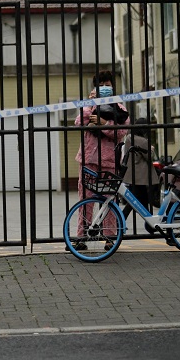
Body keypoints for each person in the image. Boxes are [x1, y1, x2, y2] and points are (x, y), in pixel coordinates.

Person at [72, 71, 130, 251]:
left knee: (109, 200)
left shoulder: (119, 108)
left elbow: (121, 132)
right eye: (101, 85)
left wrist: (104, 124)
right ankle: (81, 237)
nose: (105, 88)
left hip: (109, 161)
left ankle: (110, 237)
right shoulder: (89, 105)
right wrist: (91, 105)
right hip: (88, 159)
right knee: (85, 199)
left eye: (107, 84)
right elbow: (79, 122)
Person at [119, 117, 160, 214]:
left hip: (132, 174)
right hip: (141, 176)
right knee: (135, 201)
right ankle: (122, 218)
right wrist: (151, 149)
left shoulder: (129, 138)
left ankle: (149, 223)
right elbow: (149, 157)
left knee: (139, 200)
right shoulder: (142, 141)